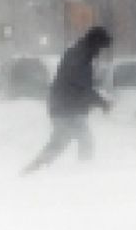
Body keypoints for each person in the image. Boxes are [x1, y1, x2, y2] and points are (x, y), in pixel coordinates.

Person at [22, 26, 113, 174]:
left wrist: (98, 101)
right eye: (101, 47)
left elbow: (81, 85)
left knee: (61, 142)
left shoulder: (80, 54)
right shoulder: (79, 57)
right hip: (66, 107)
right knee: (84, 140)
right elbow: (81, 86)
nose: (100, 52)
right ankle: (83, 173)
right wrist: (102, 102)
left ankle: (33, 169)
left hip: (64, 106)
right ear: (95, 43)